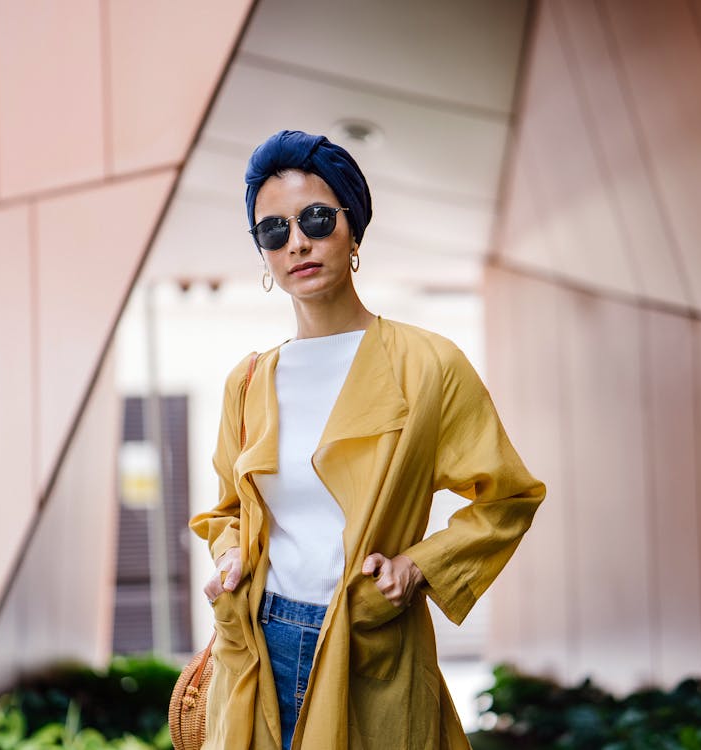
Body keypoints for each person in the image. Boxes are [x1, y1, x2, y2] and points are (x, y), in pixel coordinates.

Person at [189, 130, 545, 750]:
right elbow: (227, 512)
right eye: (273, 230)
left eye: (316, 219)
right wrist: (229, 557)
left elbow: (507, 497)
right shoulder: (246, 383)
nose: (297, 241)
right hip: (256, 645)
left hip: (369, 642)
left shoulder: (427, 366)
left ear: (353, 229)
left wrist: (420, 567)